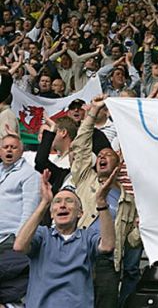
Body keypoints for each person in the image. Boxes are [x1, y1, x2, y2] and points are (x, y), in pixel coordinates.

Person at [70, 94, 139, 308]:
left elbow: (132, 242)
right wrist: (92, 112)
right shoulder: (85, 178)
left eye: (107, 154)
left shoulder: (128, 201)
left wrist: (139, 228)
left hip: (108, 263)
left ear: (118, 165)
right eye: (99, 155)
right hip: (77, 256)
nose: (101, 156)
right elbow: (81, 145)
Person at [13, 169, 116, 308]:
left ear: (80, 213)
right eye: (57, 202)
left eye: (69, 201)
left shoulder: (87, 236)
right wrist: (44, 202)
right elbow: (19, 246)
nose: (62, 205)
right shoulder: (43, 235)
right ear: (51, 214)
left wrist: (101, 202)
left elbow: (108, 245)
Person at [0, 132, 41, 307]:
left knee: (10, 289)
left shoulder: (30, 175)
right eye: (5, 147)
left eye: (13, 147)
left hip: (12, 240)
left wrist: (20, 239)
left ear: (21, 150)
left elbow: (30, 211)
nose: (9, 150)